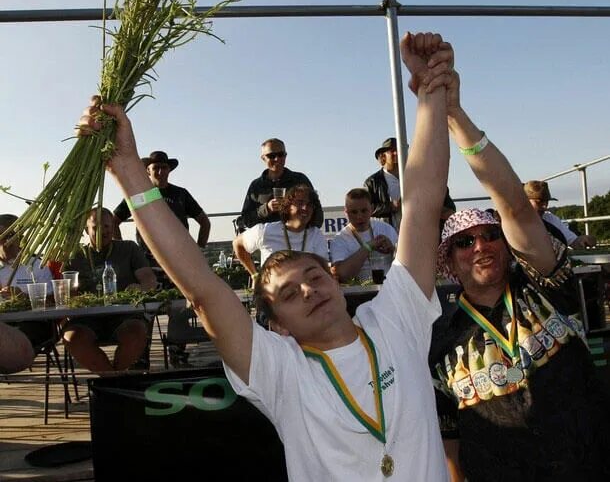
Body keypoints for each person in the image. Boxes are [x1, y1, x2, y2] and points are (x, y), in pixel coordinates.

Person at [77, 30, 454, 480]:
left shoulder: (394, 319)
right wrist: (127, 169)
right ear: (276, 325)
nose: (309, 290)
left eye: (315, 277)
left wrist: (431, 91)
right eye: (289, 294)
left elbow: (424, 204)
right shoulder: (281, 371)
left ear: (335, 281)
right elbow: (202, 289)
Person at [428, 67, 610, 480]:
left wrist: (455, 114)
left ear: (507, 244)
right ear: (449, 262)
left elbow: (513, 201)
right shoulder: (440, 338)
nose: (480, 245)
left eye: (492, 234)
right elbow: (448, 438)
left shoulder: (548, 284)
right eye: (464, 242)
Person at [62, 208, 157, 374]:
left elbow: (149, 279)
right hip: (87, 318)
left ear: (113, 227)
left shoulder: (128, 248)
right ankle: (115, 381)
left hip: (124, 314)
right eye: (96, 227)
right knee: (72, 339)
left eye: (106, 226)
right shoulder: (74, 256)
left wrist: (140, 288)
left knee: (137, 333)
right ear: (86, 230)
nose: (103, 231)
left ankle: (114, 379)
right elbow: (65, 291)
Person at [113, 150, 211, 261]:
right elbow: (114, 221)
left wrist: (199, 249)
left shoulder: (180, 194)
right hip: (148, 258)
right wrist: (122, 251)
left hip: (180, 256)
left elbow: (204, 222)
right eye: (156, 168)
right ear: (148, 171)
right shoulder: (141, 195)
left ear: (169, 170)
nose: (160, 172)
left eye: (164, 168)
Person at [233, 184, 328, 279]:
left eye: (310, 205)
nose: (305, 208)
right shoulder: (265, 231)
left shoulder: (316, 235)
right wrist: (254, 275)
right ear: (287, 206)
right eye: (300, 203)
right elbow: (237, 244)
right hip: (273, 291)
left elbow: (322, 270)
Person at [364, 139, 455, 232]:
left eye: (400, 150)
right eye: (392, 150)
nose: (397, 153)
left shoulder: (422, 176)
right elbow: (365, 209)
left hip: (420, 233)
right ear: (382, 156)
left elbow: (448, 206)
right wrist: (390, 206)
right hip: (389, 235)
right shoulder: (372, 182)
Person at [237, 138, 323, 230]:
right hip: (267, 241)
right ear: (263, 158)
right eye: (271, 155)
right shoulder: (256, 186)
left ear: (285, 156)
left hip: (296, 240)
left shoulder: (299, 180)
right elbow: (246, 220)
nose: (277, 159)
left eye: (281, 154)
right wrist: (267, 208)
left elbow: (317, 214)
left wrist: (304, 232)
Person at [0, 213, 56, 351]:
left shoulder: (37, 265)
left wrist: (23, 298)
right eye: (2, 236)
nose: (5, 241)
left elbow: (52, 302)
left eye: (9, 235)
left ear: (21, 237)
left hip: (33, 323)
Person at [329, 187, 398, 283]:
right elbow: (341, 275)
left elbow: (407, 263)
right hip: (358, 294)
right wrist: (368, 247)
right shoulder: (340, 239)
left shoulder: (386, 229)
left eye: (364, 210)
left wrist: (393, 250)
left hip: (389, 287)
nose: (359, 216)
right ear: (346, 212)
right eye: (353, 212)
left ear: (372, 209)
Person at [524, 179, 597, 249]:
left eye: (546, 202)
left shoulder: (550, 219)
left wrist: (584, 239)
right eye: (539, 202)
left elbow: (573, 242)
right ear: (524, 201)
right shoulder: (514, 222)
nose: (545, 207)